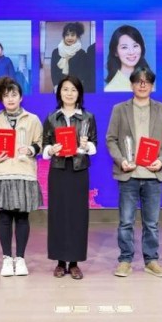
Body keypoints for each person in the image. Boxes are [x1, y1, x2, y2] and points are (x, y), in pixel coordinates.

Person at [106, 67, 162, 277]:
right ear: (132, 85)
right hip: (128, 174)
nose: (142, 85)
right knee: (126, 222)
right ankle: (125, 260)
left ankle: (151, 260)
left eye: (147, 82)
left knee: (151, 223)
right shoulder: (120, 109)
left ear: (152, 86)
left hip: (154, 175)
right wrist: (121, 160)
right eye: (138, 81)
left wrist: (161, 160)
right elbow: (111, 139)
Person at [0, 77, 43, 276]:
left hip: (24, 173)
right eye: (6, 95)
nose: (10, 99)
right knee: (4, 218)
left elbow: (40, 143)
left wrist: (31, 149)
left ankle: (20, 258)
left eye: (14, 95)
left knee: (22, 217)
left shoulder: (33, 119)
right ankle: (7, 259)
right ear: (1, 98)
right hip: (2, 173)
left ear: (21, 97)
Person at [42, 75, 97, 280]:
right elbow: (44, 146)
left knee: (77, 216)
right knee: (58, 215)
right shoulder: (51, 118)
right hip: (58, 170)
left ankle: (74, 263)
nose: (69, 93)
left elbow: (94, 145)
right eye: (65, 89)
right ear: (59, 93)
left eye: (74, 89)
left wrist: (85, 146)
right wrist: (52, 149)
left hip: (79, 170)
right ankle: (59, 262)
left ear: (79, 93)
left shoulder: (88, 117)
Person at [50, 22, 95, 93]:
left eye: (72, 35)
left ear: (77, 36)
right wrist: (56, 86)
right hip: (59, 87)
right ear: (64, 36)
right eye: (67, 35)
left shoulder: (81, 53)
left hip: (75, 88)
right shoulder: (56, 52)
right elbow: (53, 71)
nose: (69, 38)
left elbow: (82, 74)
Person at [104, 25, 151, 92]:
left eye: (135, 46)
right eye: (124, 47)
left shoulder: (146, 78)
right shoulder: (111, 89)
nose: (131, 52)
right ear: (115, 52)